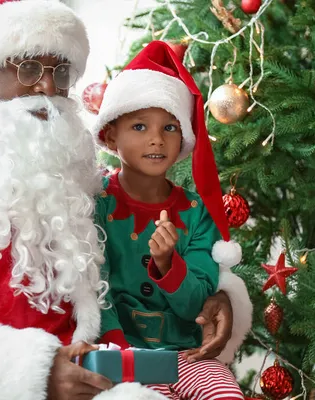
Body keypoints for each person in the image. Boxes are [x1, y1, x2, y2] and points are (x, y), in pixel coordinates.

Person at [0, 1, 251, 400]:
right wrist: (34, 376)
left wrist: (214, 297)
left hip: (111, 369)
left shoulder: (74, 172)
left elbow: (128, 265)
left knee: (212, 387)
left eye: (60, 72)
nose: (47, 88)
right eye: (28, 68)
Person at [92, 41, 250, 399]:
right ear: (110, 133)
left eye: (169, 128)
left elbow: (197, 303)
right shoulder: (94, 202)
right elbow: (92, 286)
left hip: (186, 357)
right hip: (114, 355)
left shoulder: (196, 213)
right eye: (139, 126)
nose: (156, 139)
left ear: (184, 139)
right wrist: (118, 353)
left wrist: (168, 264)